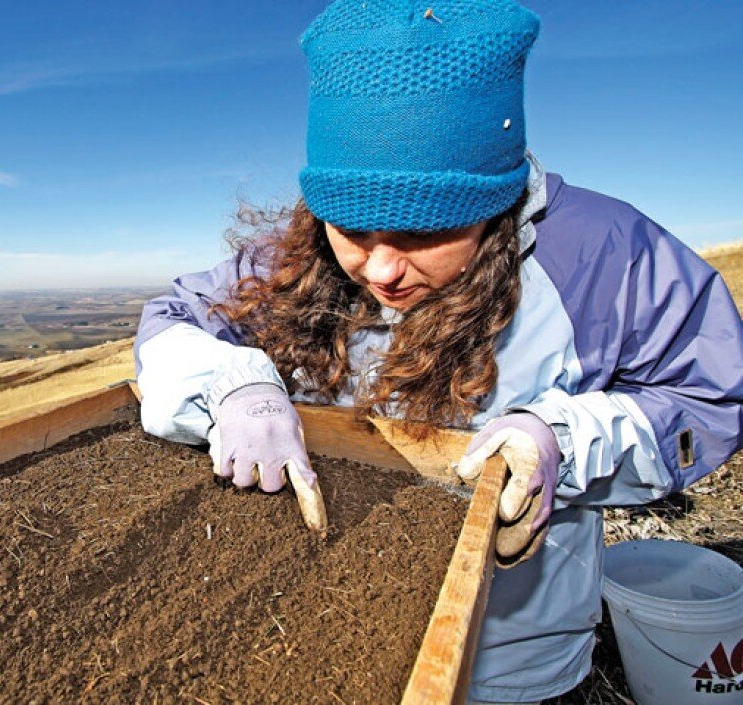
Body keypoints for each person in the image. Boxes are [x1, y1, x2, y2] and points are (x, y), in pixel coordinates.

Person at [133, 0, 743, 702]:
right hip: (323, 648)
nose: (383, 269)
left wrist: (564, 443)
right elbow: (172, 319)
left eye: (423, 233)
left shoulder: (605, 258)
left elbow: (709, 394)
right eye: (353, 229)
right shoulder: (292, 261)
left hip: (516, 670)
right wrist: (232, 382)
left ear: (495, 200)